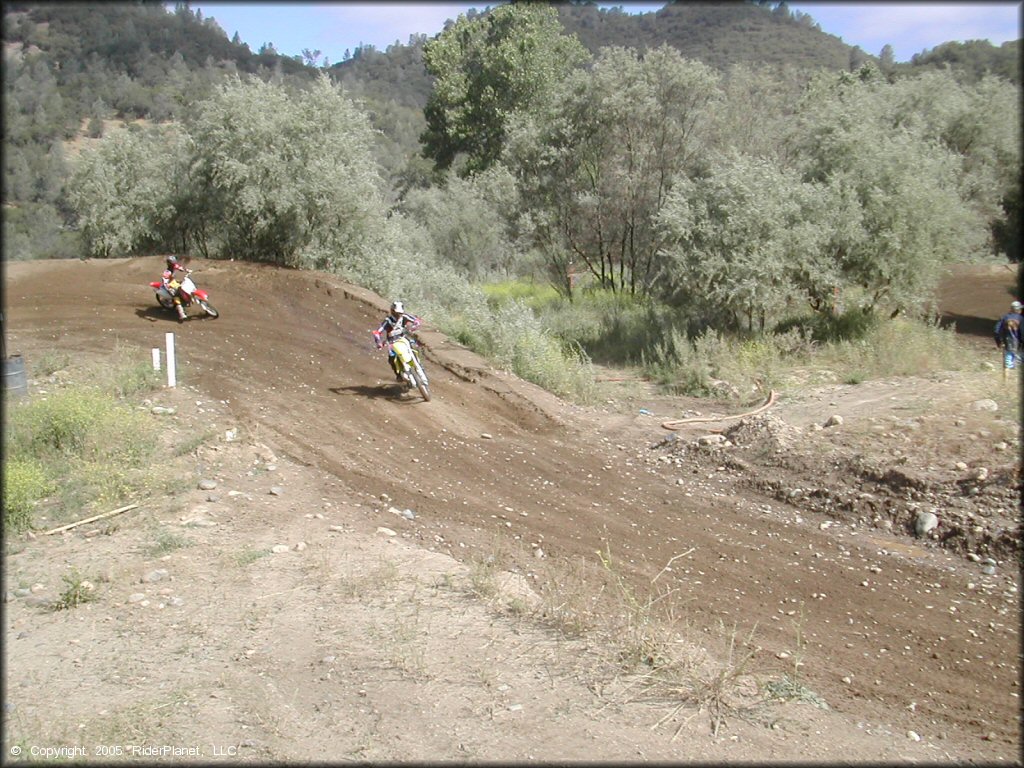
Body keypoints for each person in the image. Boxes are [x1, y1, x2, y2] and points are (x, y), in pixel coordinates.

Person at [373, 300, 421, 381]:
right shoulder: (388, 321)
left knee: (414, 345)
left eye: (400, 313)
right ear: (392, 311)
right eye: (396, 313)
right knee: (391, 357)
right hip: (392, 342)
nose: (398, 315)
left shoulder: (405, 316)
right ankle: (398, 374)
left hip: (404, 338)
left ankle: (417, 363)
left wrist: (414, 326)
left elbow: (416, 320)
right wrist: (379, 342)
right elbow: (377, 332)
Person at [994, 299, 1023, 376]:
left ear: (1011, 309)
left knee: (1007, 364)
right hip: (1020, 345)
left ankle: (1006, 383)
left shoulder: (1004, 317)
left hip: (1008, 343)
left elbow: (996, 331)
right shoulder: (1021, 318)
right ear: (1018, 310)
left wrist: (999, 342)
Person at [160, 255, 190, 322]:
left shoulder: (174, 266)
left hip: (174, 282)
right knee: (176, 297)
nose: (174, 264)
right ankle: (181, 314)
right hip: (170, 285)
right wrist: (168, 288)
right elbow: (164, 281)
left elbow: (180, 268)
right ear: (169, 264)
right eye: (173, 263)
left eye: (174, 263)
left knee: (184, 286)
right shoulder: (167, 272)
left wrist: (187, 270)